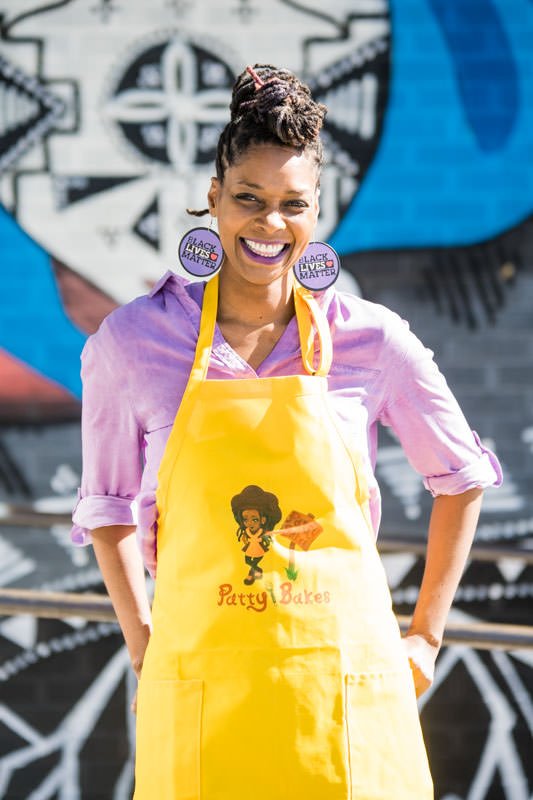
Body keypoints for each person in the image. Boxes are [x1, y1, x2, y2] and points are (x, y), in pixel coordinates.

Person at [71, 63, 502, 799]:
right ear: (214, 200)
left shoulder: (372, 340)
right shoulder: (132, 344)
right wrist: (145, 650)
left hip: (343, 698)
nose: (271, 224)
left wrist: (425, 636)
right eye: (249, 199)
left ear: (316, 210)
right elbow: (106, 508)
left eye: (292, 205)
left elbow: (461, 479)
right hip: (201, 693)